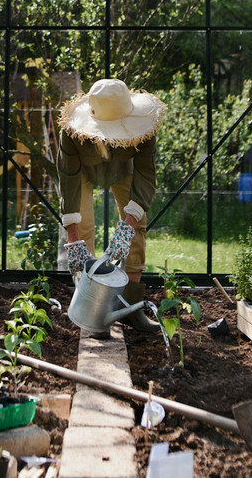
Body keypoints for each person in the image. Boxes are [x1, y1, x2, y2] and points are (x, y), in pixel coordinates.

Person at [57, 78, 164, 333]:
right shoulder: (71, 132)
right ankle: (91, 310)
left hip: (122, 172)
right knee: (82, 228)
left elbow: (146, 175)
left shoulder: (145, 128)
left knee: (137, 228)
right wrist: (73, 241)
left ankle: (132, 305)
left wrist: (128, 226)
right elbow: (69, 180)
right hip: (82, 173)